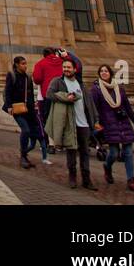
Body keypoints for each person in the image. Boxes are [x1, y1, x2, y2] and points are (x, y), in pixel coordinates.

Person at [45, 56, 99, 190]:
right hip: (69, 123)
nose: (66, 69)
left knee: (85, 151)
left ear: (75, 69)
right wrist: (65, 97)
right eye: (64, 67)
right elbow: (49, 94)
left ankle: (86, 180)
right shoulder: (57, 81)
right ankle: (72, 178)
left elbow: (89, 103)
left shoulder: (80, 84)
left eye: (68, 67)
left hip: (84, 124)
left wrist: (95, 119)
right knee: (71, 151)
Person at [90, 65, 134, 194]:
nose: (104, 73)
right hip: (109, 124)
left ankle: (131, 180)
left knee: (128, 153)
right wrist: (96, 123)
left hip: (123, 123)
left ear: (110, 73)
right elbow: (94, 108)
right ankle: (107, 167)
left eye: (106, 71)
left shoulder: (119, 88)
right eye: (101, 71)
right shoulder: (96, 90)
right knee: (113, 153)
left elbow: (127, 107)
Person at [2, 55, 44, 168]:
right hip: (17, 109)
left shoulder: (28, 77)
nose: (25, 66)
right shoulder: (11, 75)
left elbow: (29, 94)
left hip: (28, 109)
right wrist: (9, 106)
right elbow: (8, 92)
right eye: (23, 64)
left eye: (25, 63)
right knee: (25, 130)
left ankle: (25, 154)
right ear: (17, 64)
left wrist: (34, 105)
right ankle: (23, 156)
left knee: (32, 133)